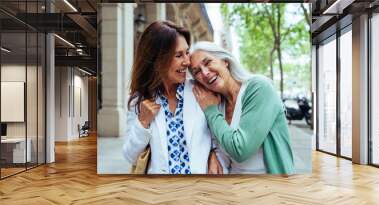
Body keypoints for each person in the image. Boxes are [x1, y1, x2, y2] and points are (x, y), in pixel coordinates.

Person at [189, 41, 295, 174]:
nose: (205, 73)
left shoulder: (258, 88)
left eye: (208, 62)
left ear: (225, 61)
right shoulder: (217, 102)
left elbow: (240, 150)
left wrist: (211, 111)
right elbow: (220, 145)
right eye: (197, 71)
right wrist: (212, 154)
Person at [122, 21, 214, 174]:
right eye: (178, 55)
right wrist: (143, 122)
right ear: (157, 59)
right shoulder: (139, 101)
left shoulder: (200, 91)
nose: (187, 62)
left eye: (187, 53)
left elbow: (216, 136)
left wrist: (213, 154)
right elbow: (129, 156)